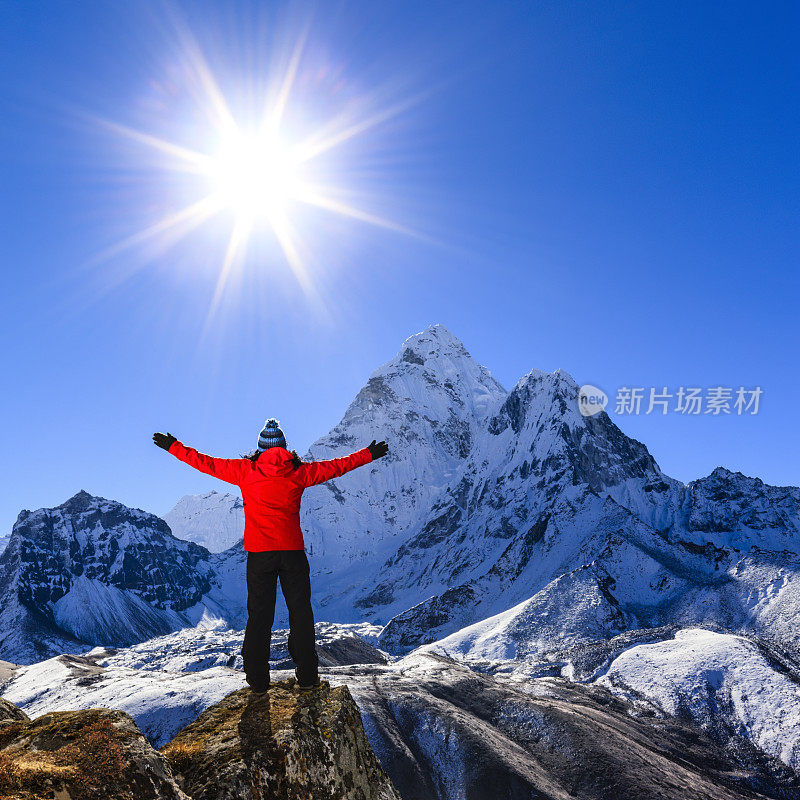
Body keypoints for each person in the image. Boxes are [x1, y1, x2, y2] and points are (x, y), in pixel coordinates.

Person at [153, 419, 388, 693]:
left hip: (260, 554)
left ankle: (257, 679)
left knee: (259, 616)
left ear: (259, 448)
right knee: (300, 613)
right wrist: (368, 454)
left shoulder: (244, 470)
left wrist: (174, 447)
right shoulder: (299, 472)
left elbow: (206, 463)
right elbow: (337, 466)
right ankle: (308, 675)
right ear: (285, 448)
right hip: (292, 553)